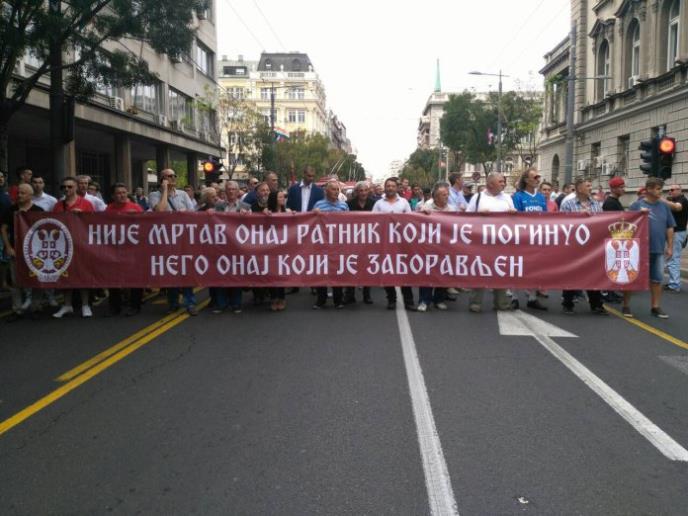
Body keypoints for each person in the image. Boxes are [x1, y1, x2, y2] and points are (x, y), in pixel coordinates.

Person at [623, 178, 675, 319]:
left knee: (657, 280)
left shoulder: (664, 206)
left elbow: (670, 227)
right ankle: (626, 305)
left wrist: (670, 246)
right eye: (658, 189)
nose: (660, 192)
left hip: (658, 249)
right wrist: (638, 215)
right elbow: (626, 225)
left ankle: (655, 307)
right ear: (649, 189)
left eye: (661, 189)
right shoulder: (636, 205)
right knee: (632, 278)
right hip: (638, 250)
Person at [149, 169, 198, 315]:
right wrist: (165, 191)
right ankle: (173, 302)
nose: (173, 178)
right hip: (166, 240)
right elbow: (160, 211)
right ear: (162, 179)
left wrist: (183, 213)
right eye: (169, 176)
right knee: (171, 271)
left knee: (186, 270)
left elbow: (193, 213)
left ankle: (190, 302)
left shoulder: (182, 194)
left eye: (174, 175)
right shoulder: (154, 195)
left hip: (183, 239)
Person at [466, 172, 515, 313]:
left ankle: (501, 303)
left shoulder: (507, 198)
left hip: (502, 242)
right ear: (491, 184)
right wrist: (478, 214)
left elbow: (514, 221)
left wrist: (513, 214)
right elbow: (465, 218)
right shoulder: (477, 198)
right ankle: (475, 302)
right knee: (479, 270)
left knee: (501, 271)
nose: (503, 184)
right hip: (481, 242)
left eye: (504, 181)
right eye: (500, 181)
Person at [559, 177, 608, 315]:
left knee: (593, 274)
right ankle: (568, 303)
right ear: (579, 188)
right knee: (571, 274)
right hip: (573, 245)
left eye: (590, 185)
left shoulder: (596, 204)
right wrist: (578, 216)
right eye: (588, 186)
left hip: (592, 246)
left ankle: (596, 304)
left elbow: (602, 222)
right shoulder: (568, 204)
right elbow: (561, 223)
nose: (590, 188)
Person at [52, 177, 95, 318]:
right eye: (64, 187)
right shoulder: (58, 205)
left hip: (81, 244)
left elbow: (94, 223)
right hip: (63, 244)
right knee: (65, 274)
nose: (66, 189)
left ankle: (85, 305)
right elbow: (53, 223)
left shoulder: (86, 204)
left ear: (76, 187)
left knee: (83, 274)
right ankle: (67, 305)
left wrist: (82, 215)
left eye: (70, 187)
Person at [1, 184, 44, 321]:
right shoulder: (11, 210)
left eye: (23, 193)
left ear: (30, 195)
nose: (19, 195)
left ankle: (36, 307)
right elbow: (3, 229)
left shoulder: (38, 210)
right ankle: (17, 309)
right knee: (15, 281)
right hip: (15, 250)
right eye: (18, 193)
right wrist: (8, 247)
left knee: (36, 279)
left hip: (34, 251)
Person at [373, 177, 416, 310]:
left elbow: (410, 219)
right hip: (385, 242)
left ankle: (409, 301)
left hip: (402, 243)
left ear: (397, 188)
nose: (390, 188)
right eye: (388, 186)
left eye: (393, 186)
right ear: (385, 188)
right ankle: (391, 299)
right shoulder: (379, 204)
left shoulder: (404, 202)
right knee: (388, 270)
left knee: (404, 272)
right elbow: (372, 221)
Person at [512, 167, 549, 311]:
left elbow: (546, 217)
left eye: (539, 177)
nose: (538, 179)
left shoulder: (541, 197)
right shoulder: (518, 196)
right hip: (522, 238)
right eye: (535, 177)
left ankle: (532, 298)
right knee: (518, 267)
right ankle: (514, 297)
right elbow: (515, 218)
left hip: (537, 238)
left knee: (535, 268)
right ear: (527, 180)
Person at [105, 183, 144, 316]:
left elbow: (145, 226)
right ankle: (114, 307)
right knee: (113, 278)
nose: (121, 195)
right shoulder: (109, 209)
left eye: (124, 192)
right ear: (113, 196)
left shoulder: (135, 207)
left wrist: (136, 217)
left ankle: (135, 306)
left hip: (133, 249)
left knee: (135, 278)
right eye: (118, 193)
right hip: (115, 249)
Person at [417, 183, 454, 312]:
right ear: (436, 197)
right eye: (443, 195)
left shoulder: (452, 210)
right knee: (427, 273)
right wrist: (422, 212)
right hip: (429, 247)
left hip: (445, 247)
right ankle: (424, 301)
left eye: (447, 194)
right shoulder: (427, 207)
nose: (447, 197)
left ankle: (439, 300)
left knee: (443, 273)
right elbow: (416, 219)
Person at [312, 180, 349, 309]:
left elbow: (350, 223)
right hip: (322, 244)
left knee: (337, 272)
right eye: (333, 189)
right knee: (321, 272)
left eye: (337, 189)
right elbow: (311, 223)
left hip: (338, 244)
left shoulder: (343, 205)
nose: (336, 192)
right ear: (326, 191)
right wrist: (314, 213)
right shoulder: (318, 205)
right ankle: (321, 300)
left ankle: (338, 300)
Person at [344, 181, 375, 305]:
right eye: (360, 190)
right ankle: (349, 294)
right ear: (356, 192)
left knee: (367, 267)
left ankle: (367, 295)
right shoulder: (349, 204)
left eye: (365, 190)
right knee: (351, 266)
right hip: (352, 241)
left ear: (368, 191)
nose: (363, 193)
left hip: (369, 240)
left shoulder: (374, 204)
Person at [265, 190, 289, 311]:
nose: (283, 198)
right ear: (274, 199)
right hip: (270, 248)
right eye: (280, 197)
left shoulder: (287, 211)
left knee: (281, 274)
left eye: (283, 197)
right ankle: (274, 298)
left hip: (283, 248)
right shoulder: (268, 212)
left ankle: (281, 298)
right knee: (272, 274)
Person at [663, 184, 688, 293]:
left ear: (679, 190)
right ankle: (673, 282)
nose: (670, 191)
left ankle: (674, 284)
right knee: (670, 258)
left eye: (672, 189)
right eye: (669, 189)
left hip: (678, 233)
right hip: (674, 233)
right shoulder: (673, 200)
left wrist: (661, 199)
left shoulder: (683, 200)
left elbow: (677, 207)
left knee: (674, 258)